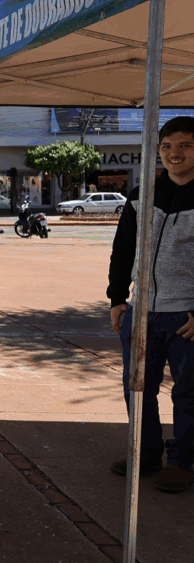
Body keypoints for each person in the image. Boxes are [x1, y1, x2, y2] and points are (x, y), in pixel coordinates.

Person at [107, 115, 194, 494]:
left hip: (185, 315)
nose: (175, 153)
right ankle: (146, 452)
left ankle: (183, 461)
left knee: (188, 391)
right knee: (138, 386)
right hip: (141, 312)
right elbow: (123, 249)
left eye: (186, 145)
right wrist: (117, 298)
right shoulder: (143, 195)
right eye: (167, 146)